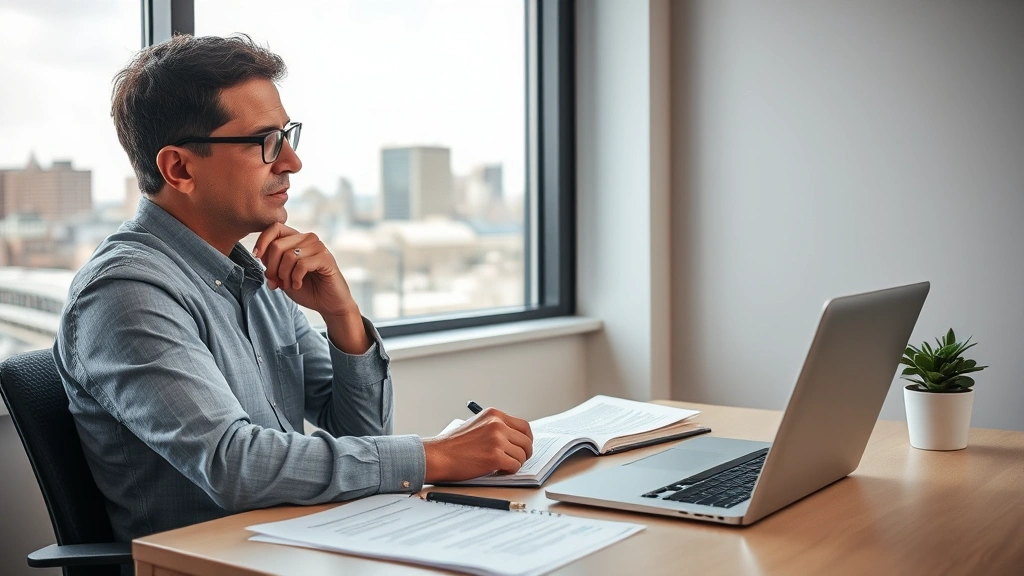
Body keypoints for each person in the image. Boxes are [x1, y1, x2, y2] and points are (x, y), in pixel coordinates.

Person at [52, 34, 534, 543]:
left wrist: (342, 316)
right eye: (265, 142)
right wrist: (436, 455)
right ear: (179, 168)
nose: (291, 162)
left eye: (287, 136)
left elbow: (362, 437)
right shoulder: (125, 292)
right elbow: (234, 464)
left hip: (307, 545)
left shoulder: (254, 272)